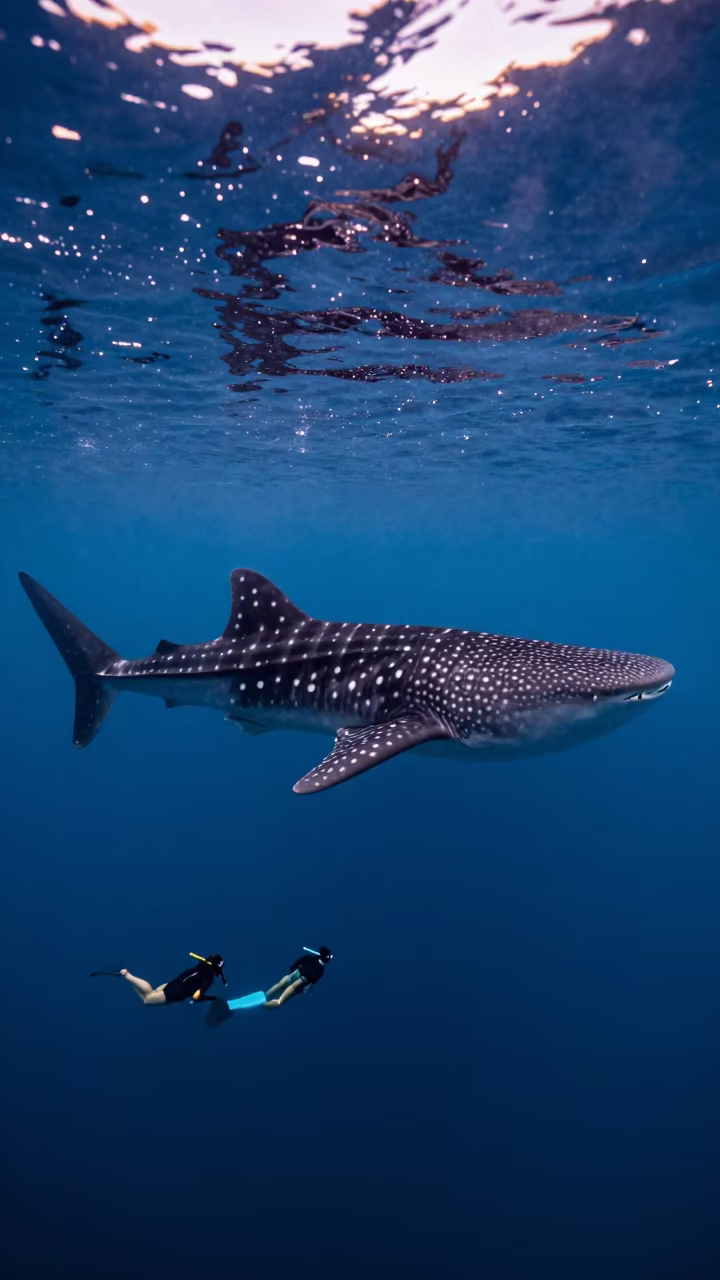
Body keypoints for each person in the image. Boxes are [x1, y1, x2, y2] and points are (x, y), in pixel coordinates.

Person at [90, 953, 227, 1005]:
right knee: (147, 999)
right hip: (175, 992)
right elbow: (197, 997)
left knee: (153, 992)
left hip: (173, 983)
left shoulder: (202, 964)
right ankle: (126, 976)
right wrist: (213, 999)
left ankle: (127, 977)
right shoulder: (209, 979)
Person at [264, 946, 333, 1009]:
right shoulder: (321, 970)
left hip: (295, 975)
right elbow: (313, 982)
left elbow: (297, 964)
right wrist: (308, 989)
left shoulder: (309, 957)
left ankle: (266, 997)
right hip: (300, 982)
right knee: (280, 1001)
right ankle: (264, 1005)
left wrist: (292, 970)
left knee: (281, 984)